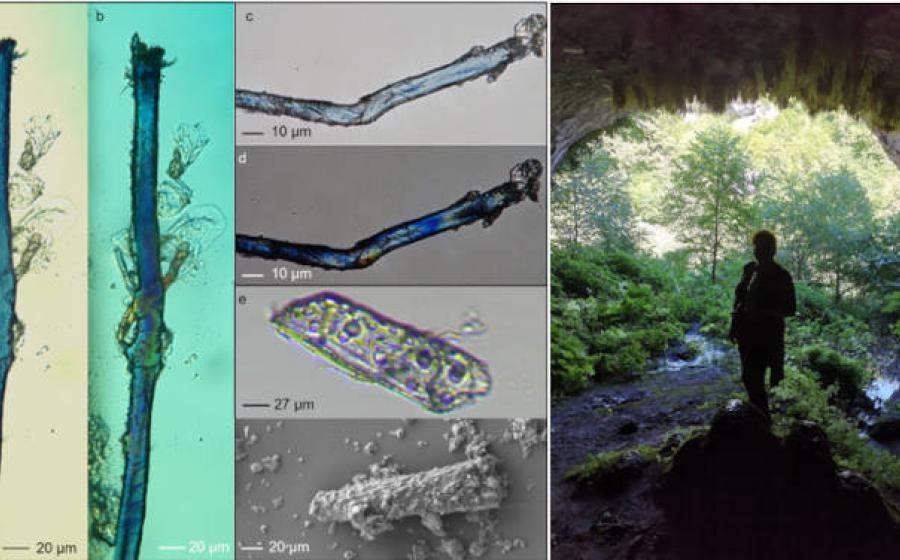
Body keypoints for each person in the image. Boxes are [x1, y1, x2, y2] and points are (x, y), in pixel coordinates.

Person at [728, 230, 796, 418]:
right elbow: (739, 300)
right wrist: (734, 324)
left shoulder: (781, 275)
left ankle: (762, 422)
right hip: (747, 333)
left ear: (773, 249)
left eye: (764, 246)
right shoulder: (749, 270)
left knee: (758, 379)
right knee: (749, 378)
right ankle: (760, 420)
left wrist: (762, 313)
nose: (759, 250)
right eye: (757, 246)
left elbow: (790, 309)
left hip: (768, 335)